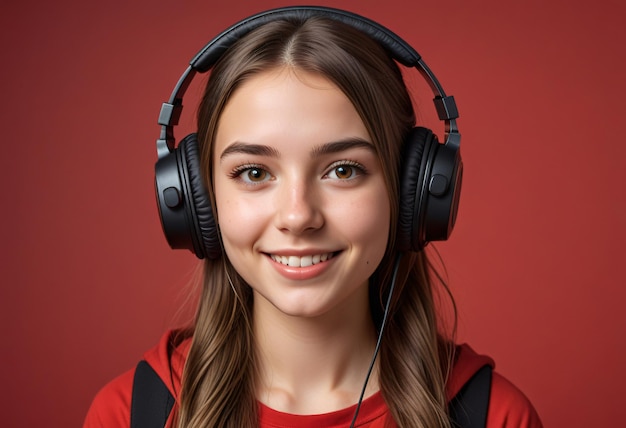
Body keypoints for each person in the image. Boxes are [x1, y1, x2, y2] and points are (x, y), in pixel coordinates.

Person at [84, 6, 542, 428]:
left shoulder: (493, 416)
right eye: (254, 172)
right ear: (198, 198)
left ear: (410, 194)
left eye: (343, 170)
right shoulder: (130, 412)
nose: (298, 216)